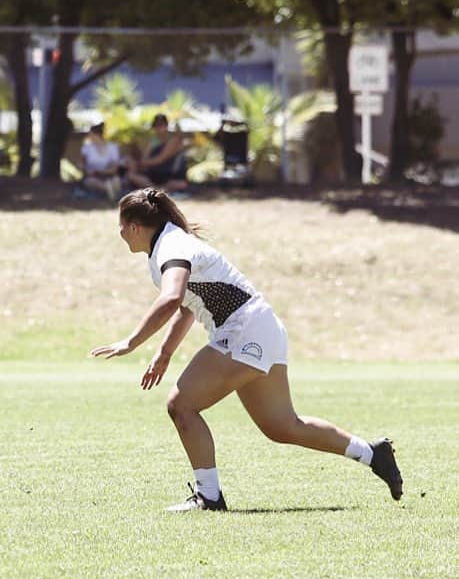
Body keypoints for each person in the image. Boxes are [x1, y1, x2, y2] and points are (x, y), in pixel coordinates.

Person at [90, 188, 403, 511]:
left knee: (181, 406)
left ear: (135, 227)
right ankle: (372, 453)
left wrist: (131, 342)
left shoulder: (172, 245)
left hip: (245, 331)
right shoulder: (167, 246)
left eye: (121, 225)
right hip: (260, 329)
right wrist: (165, 352)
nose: (119, 233)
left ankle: (209, 496)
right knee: (282, 426)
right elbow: (187, 307)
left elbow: (172, 298)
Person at [138, 114, 188, 193]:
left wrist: (145, 163)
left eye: (161, 125)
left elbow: (161, 159)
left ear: (166, 125)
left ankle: (158, 189)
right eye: (156, 125)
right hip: (155, 173)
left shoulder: (174, 138)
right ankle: (157, 189)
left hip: (171, 173)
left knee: (180, 184)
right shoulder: (152, 139)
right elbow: (144, 158)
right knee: (133, 175)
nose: (159, 128)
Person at [77, 122, 123, 201]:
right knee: (90, 181)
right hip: (92, 177)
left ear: (96, 135)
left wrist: (100, 171)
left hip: (108, 174)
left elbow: (114, 168)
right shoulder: (87, 148)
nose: (89, 137)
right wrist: (85, 169)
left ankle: (111, 188)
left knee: (115, 179)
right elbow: (80, 164)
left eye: (90, 134)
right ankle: (108, 188)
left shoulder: (112, 147)